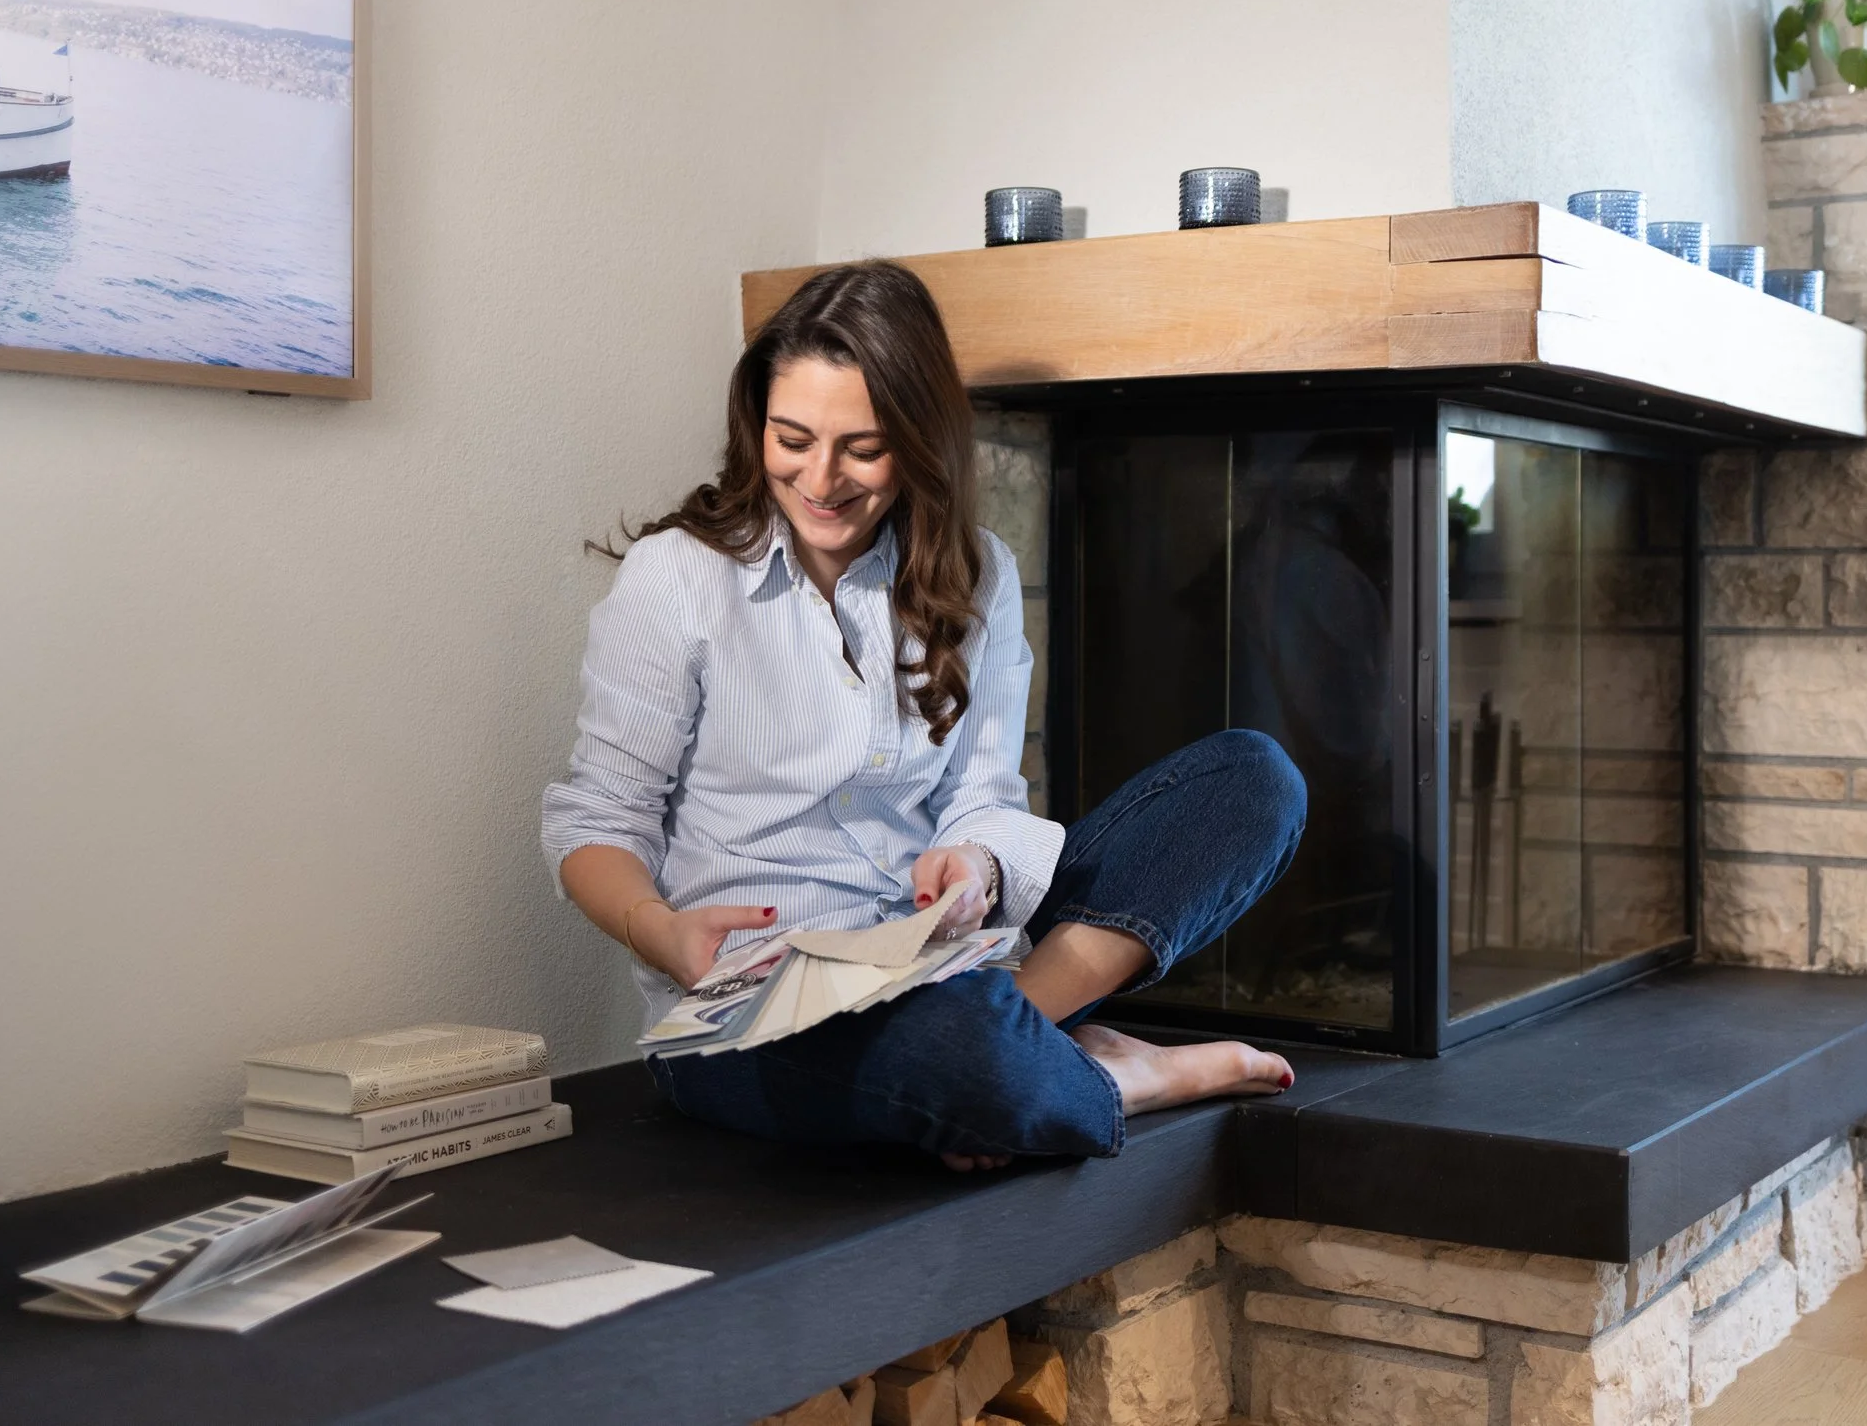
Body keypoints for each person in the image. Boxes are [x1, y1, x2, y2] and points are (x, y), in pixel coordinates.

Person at [541, 260, 1306, 1171]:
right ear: (757, 427)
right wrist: (662, 931)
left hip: (953, 967)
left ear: (919, 439)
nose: (820, 479)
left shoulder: (976, 573)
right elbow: (598, 823)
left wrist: (976, 860)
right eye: (792, 438)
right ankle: (1110, 1075)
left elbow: (987, 796)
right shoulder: (675, 579)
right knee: (958, 1054)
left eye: (861, 448)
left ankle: (1017, 1038)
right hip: (753, 1022)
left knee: (1252, 780)